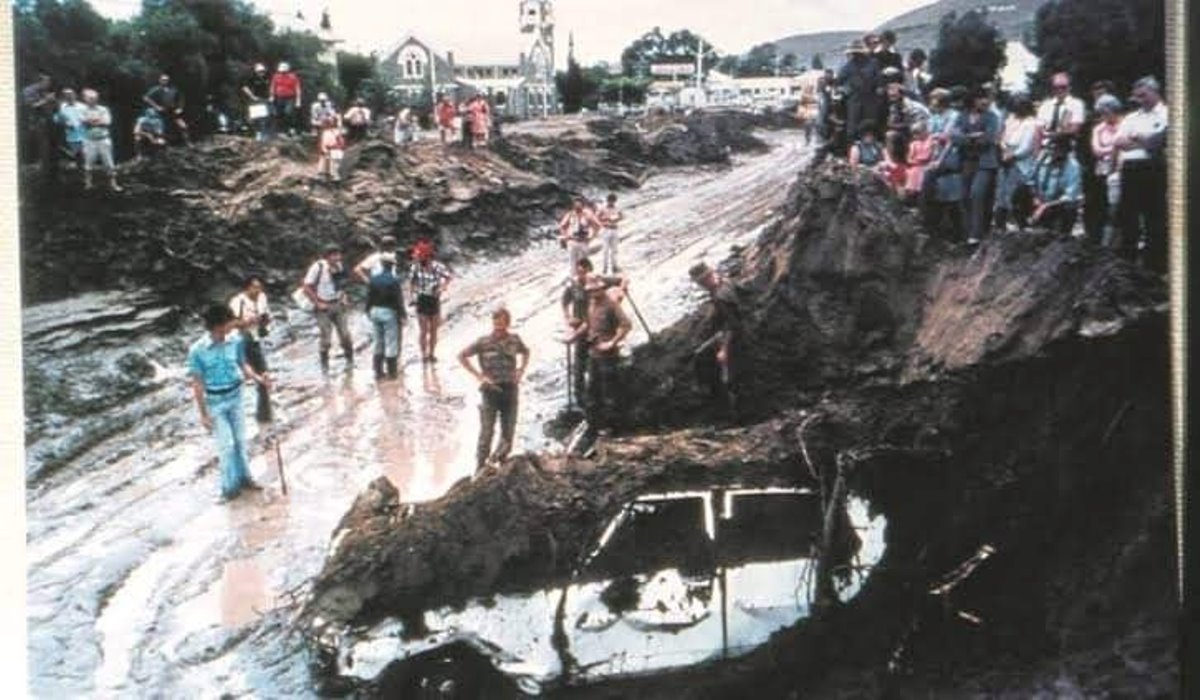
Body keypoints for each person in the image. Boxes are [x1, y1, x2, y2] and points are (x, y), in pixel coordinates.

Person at [187, 303, 271, 502]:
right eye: (229, 322)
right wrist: (203, 414)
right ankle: (228, 488)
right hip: (215, 402)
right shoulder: (197, 351)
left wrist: (259, 379)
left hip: (236, 396)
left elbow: (243, 365)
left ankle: (245, 479)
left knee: (240, 441)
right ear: (217, 326)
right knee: (226, 445)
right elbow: (197, 383)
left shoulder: (236, 341)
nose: (233, 325)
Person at [458, 307, 530, 472]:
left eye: (502, 325)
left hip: (510, 390)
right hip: (490, 391)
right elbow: (462, 356)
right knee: (486, 433)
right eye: (496, 325)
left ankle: (500, 465)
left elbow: (526, 352)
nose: (498, 329)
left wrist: (521, 370)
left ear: (508, 324)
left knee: (508, 434)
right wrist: (479, 376)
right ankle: (480, 468)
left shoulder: (514, 340)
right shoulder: (483, 342)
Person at [1114, 76, 1168, 272]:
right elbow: (1118, 142)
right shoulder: (1131, 118)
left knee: (1154, 215)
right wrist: (1143, 140)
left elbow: (1158, 142)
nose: (1140, 100)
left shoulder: (1166, 114)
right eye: (1137, 96)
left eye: (1143, 95)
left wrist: (1137, 139)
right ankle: (1126, 262)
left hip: (1153, 168)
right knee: (1128, 215)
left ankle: (1155, 265)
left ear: (1155, 92)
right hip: (1130, 169)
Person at [560, 257, 625, 403]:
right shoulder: (574, 285)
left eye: (583, 272)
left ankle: (603, 401)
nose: (581, 275)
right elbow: (564, 301)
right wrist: (568, 318)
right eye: (578, 272)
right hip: (582, 329)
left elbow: (622, 279)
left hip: (599, 331)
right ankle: (580, 400)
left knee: (600, 367)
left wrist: (620, 292)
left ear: (589, 270)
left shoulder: (600, 284)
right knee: (579, 368)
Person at [579, 276, 632, 451]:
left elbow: (626, 324)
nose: (594, 292)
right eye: (591, 290)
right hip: (593, 354)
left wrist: (612, 342)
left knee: (609, 391)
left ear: (602, 288)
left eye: (597, 289)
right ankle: (593, 427)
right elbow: (589, 325)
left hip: (607, 355)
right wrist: (575, 335)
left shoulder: (611, 305)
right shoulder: (591, 304)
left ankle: (611, 428)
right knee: (591, 391)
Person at [688, 262, 743, 416]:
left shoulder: (720, 296)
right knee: (700, 355)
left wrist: (724, 350)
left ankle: (734, 413)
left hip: (734, 337)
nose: (703, 285)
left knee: (728, 377)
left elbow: (733, 325)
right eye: (700, 283)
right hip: (727, 332)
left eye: (703, 281)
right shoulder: (725, 283)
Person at [953, 87, 1001, 245]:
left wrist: (967, 138)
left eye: (986, 98)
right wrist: (973, 137)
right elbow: (955, 138)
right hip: (967, 161)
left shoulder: (991, 117)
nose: (984, 101)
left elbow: (988, 139)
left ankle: (977, 235)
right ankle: (967, 234)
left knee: (977, 194)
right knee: (964, 196)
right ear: (972, 100)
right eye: (981, 98)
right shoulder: (962, 116)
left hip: (985, 163)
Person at [303, 243, 355, 372]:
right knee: (326, 338)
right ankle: (324, 366)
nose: (337, 258)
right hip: (323, 306)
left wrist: (344, 296)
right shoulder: (318, 267)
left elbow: (341, 285)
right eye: (334, 255)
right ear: (327, 257)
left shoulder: (340, 267)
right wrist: (317, 303)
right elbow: (306, 287)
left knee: (345, 335)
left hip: (337, 303)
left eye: (338, 254)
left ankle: (350, 361)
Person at [229, 275, 274, 423]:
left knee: (264, 374)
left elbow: (267, 315)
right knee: (244, 376)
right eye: (255, 287)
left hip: (255, 339)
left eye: (259, 287)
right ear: (247, 287)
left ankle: (264, 414)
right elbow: (230, 323)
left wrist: (264, 320)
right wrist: (246, 322)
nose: (258, 290)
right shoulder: (237, 301)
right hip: (240, 340)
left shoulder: (262, 298)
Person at [921, 88, 964, 240]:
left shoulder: (954, 116)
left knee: (929, 176)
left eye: (933, 99)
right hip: (936, 154)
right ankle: (934, 224)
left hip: (951, 155)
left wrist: (939, 161)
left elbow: (949, 140)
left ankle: (925, 221)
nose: (930, 102)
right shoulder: (933, 117)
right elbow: (932, 137)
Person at [995, 94, 1039, 232]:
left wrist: (1013, 155)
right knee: (1002, 194)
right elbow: (1003, 137)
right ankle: (1001, 225)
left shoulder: (1031, 123)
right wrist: (1003, 149)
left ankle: (1018, 224)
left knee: (1015, 195)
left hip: (1020, 161)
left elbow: (1027, 147)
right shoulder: (1010, 120)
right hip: (1006, 155)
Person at [408, 239, 453, 363]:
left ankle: (432, 354)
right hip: (421, 299)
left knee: (433, 329)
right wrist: (411, 296)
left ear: (426, 256)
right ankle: (424, 355)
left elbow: (448, 277)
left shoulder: (438, 266)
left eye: (419, 256)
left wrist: (442, 287)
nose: (417, 258)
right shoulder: (415, 267)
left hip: (434, 299)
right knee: (423, 330)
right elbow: (411, 282)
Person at [1090, 94, 1125, 247]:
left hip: (1119, 170)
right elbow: (1096, 150)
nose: (1103, 116)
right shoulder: (1098, 128)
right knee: (1102, 207)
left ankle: (1117, 242)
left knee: (1116, 208)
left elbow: (1124, 145)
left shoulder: (1125, 125)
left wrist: (1111, 149)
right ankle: (1103, 242)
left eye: (1105, 112)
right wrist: (1114, 148)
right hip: (1101, 171)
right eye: (1101, 113)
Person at [1030, 134, 1083, 235]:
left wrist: (1045, 206)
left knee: (1067, 210)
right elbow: (1031, 180)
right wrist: (1035, 198)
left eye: (1054, 149)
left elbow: (1069, 196)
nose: (1050, 151)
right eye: (1049, 148)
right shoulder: (1042, 159)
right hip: (1040, 201)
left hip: (1059, 206)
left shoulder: (1073, 167)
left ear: (1064, 150)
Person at [366, 252, 407, 380]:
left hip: (375, 311)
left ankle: (378, 372)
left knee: (378, 341)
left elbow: (369, 297)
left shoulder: (374, 279)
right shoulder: (394, 281)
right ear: (392, 266)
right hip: (388, 312)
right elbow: (398, 300)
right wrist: (403, 314)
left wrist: (367, 310)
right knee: (391, 342)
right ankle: (392, 373)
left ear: (382, 265)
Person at [837, 39, 882, 145]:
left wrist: (879, 88)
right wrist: (846, 90)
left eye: (858, 53)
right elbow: (839, 82)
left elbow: (879, 80)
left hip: (870, 98)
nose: (856, 55)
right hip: (854, 99)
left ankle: (872, 149)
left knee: (870, 124)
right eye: (854, 53)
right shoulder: (848, 66)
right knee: (852, 126)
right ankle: (852, 149)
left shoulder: (873, 63)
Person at [79, 89, 122, 192]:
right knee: (88, 163)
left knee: (109, 163)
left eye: (94, 98)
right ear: (85, 99)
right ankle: (88, 183)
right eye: (90, 98)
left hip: (103, 139)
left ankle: (113, 184)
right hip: (89, 140)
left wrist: (91, 121)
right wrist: (98, 121)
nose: (92, 100)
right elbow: (84, 122)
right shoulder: (81, 110)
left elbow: (107, 122)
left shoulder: (104, 109)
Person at [1035, 72, 1086, 149]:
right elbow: (1038, 130)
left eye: (1063, 87)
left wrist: (1052, 134)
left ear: (1069, 87)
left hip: (1066, 149)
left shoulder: (1076, 104)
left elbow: (1074, 129)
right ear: (1052, 88)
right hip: (1045, 148)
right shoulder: (1045, 105)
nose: (1059, 90)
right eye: (1056, 87)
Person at [143, 74, 191, 146]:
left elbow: (181, 98)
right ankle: (164, 147)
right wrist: (156, 106)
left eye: (167, 80)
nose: (165, 81)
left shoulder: (173, 89)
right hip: (162, 112)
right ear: (160, 80)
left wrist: (180, 108)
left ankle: (188, 143)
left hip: (173, 111)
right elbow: (146, 98)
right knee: (161, 130)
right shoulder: (156, 89)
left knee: (183, 126)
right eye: (163, 80)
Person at [558, 197, 602, 272]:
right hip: (572, 241)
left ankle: (585, 277)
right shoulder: (570, 214)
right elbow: (562, 226)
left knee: (583, 261)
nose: (577, 206)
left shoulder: (587, 214)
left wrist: (592, 236)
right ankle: (574, 277)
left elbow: (597, 225)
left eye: (579, 204)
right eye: (575, 204)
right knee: (572, 261)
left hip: (583, 241)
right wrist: (565, 236)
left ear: (582, 204)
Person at [53, 88, 86, 171]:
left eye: (70, 95)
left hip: (83, 132)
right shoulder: (62, 106)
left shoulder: (82, 106)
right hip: (70, 134)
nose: (69, 97)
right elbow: (56, 118)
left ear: (75, 95)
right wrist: (64, 123)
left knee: (83, 153)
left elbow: (87, 117)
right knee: (76, 154)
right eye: (66, 95)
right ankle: (80, 170)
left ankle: (84, 170)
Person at [903, 120, 935, 202]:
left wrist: (917, 160)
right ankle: (911, 197)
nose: (915, 135)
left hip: (926, 166)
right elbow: (909, 159)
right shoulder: (913, 144)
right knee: (912, 172)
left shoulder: (930, 141)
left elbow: (926, 156)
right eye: (914, 133)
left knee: (921, 172)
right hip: (915, 167)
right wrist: (918, 160)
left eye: (918, 132)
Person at [241, 63, 272, 141]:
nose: (261, 73)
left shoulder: (267, 77)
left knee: (264, 117)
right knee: (255, 117)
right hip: (255, 100)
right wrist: (252, 96)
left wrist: (271, 96)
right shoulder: (251, 78)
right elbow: (245, 87)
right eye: (259, 71)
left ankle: (264, 134)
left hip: (265, 99)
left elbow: (271, 87)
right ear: (255, 71)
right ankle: (257, 133)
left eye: (262, 71)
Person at [270, 61, 302, 136]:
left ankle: (291, 128)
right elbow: (273, 86)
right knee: (279, 114)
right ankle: (282, 131)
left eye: (284, 70)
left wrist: (298, 100)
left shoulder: (293, 77)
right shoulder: (276, 76)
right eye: (282, 70)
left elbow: (297, 88)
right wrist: (272, 96)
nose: (283, 72)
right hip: (279, 97)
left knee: (288, 112)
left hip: (289, 97)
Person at [597, 193, 623, 274]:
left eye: (613, 201)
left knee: (614, 249)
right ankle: (605, 267)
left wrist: (617, 219)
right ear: (607, 200)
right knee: (605, 249)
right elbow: (597, 217)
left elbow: (622, 216)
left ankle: (614, 266)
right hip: (606, 229)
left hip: (614, 229)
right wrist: (604, 220)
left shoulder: (617, 208)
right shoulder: (602, 208)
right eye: (610, 200)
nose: (611, 202)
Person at [316, 116, 345, 182]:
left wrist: (335, 147)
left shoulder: (337, 132)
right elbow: (322, 142)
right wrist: (323, 149)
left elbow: (341, 142)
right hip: (326, 150)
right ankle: (323, 176)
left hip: (333, 150)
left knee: (333, 164)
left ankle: (334, 177)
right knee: (323, 162)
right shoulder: (325, 132)